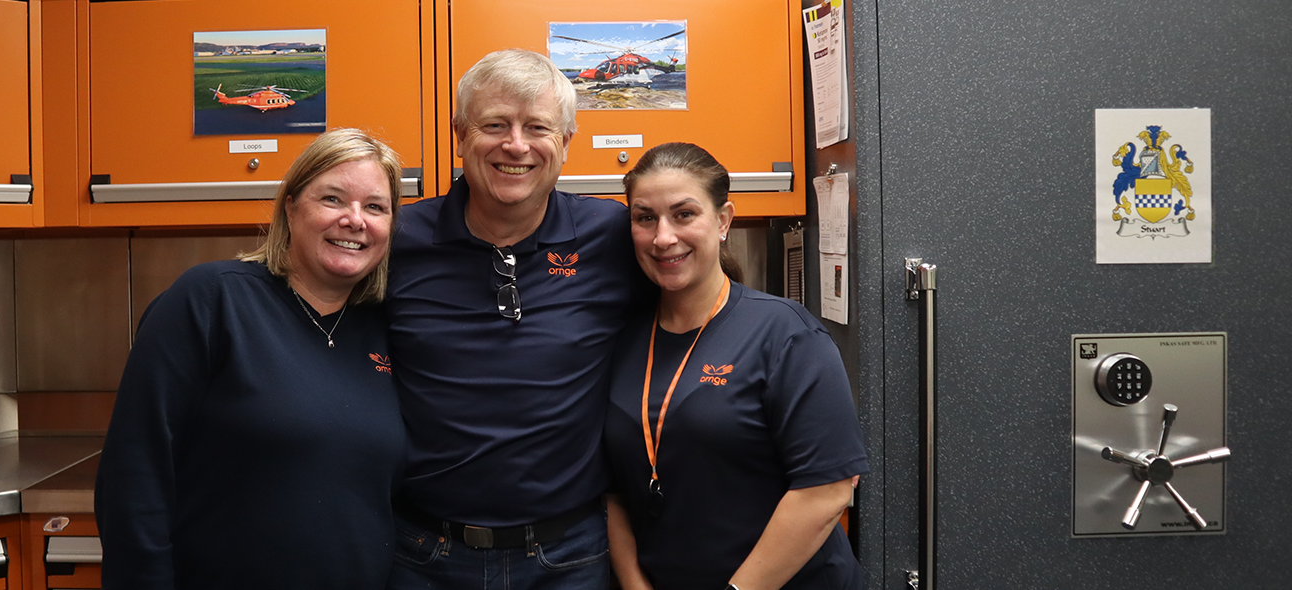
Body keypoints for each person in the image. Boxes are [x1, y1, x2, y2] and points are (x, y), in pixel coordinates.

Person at [95, 128, 408, 590]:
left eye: (375, 207)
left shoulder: (389, 326)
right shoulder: (210, 301)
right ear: (291, 206)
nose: (354, 220)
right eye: (333, 199)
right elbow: (134, 474)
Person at [384, 49, 649, 589]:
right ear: (459, 133)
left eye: (538, 127)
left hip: (571, 559)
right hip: (422, 557)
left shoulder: (612, 236)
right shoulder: (397, 240)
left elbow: (700, 297)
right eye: (495, 125)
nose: (516, 145)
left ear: (567, 144)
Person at [605, 143, 868, 590]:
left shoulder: (786, 335)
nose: (663, 236)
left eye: (684, 214)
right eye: (645, 217)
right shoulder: (622, 339)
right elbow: (614, 490)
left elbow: (827, 491)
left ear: (724, 220)